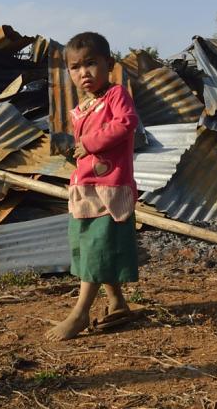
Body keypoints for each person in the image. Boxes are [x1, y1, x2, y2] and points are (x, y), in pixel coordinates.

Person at [46, 31, 140, 341]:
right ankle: (117, 303)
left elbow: (127, 123)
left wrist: (88, 142)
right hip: (86, 187)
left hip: (110, 187)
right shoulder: (85, 106)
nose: (83, 72)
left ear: (108, 64)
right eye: (75, 67)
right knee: (93, 245)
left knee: (97, 246)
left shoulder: (115, 96)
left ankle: (80, 312)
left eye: (91, 64)